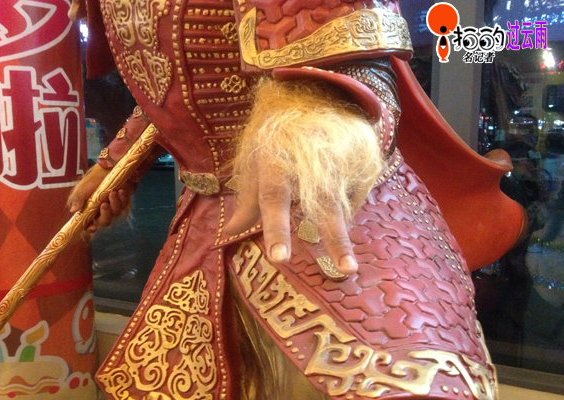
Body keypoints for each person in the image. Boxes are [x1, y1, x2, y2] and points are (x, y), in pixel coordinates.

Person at [69, 1, 525, 398]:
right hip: (206, 222)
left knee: (392, 375)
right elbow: (177, 84)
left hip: (322, 206)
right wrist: (116, 163)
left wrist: (312, 122)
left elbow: (360, 62)